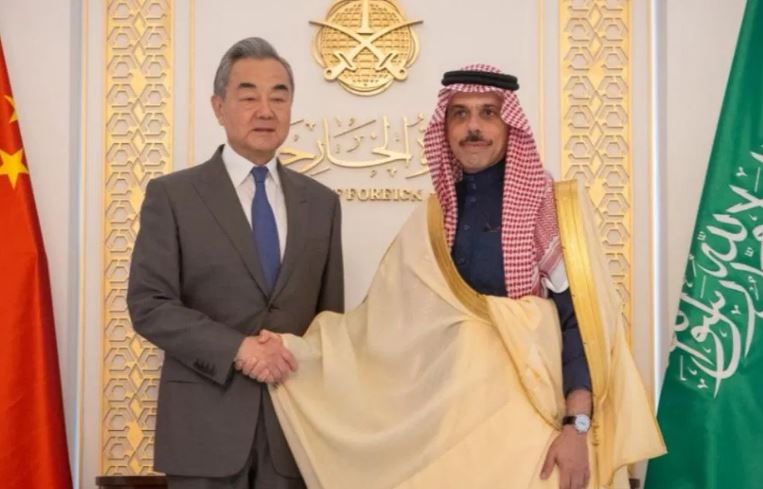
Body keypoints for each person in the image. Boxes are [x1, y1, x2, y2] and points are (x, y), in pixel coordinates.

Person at [254, 64, 665, 489]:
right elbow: (379, 330)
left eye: (488, 113)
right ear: (445, 128)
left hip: (532, 432)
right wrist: (299, 353)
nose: (474, 127)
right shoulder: (431, 221)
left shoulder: (547, 208)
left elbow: (581, 325)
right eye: (460, 114)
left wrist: (576, 427)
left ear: (509, 125)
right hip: (447, 432)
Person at [127, 37, 344, 489]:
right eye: (248, 97)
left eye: (278, 97)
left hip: (295, 434)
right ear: (218, 107)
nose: (265, 110)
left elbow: (329, 321)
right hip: (203, 433)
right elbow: (150, 304)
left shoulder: (322, 203)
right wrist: (238, 349)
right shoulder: (173, 196)